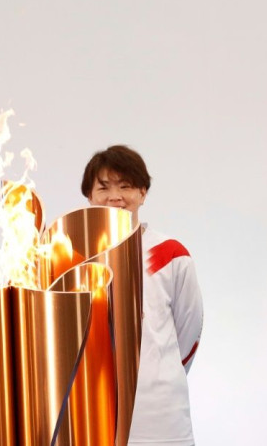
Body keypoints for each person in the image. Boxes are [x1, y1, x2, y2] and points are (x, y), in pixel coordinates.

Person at [81, 144, 203, 445]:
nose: (115, 196)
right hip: (89, 407)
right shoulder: (71, 255)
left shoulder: (170, 254)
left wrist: (161, 368)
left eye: (126, 186)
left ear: (143, 193)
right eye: (104, 187)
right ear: (89, 196)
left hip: (159, 412)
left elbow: (188, 331)